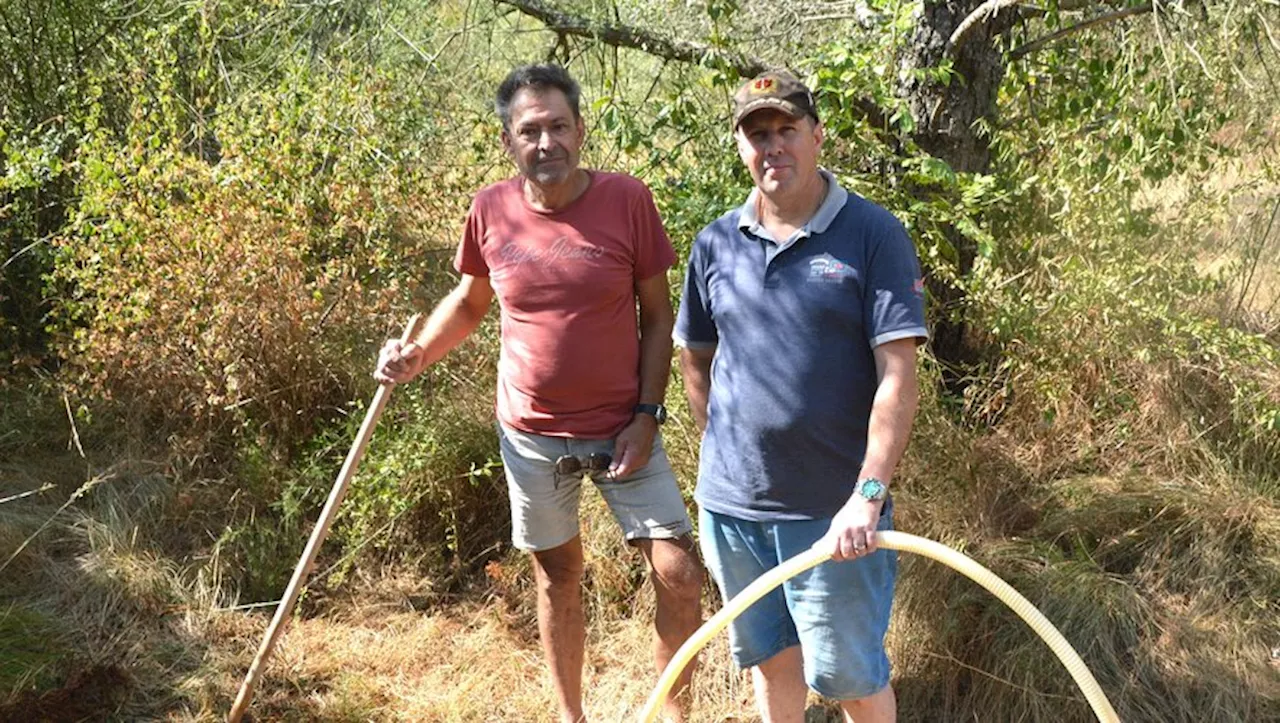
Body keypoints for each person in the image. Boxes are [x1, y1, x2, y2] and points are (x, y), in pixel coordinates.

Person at [373, 64, 703, 723]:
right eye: (530, 130)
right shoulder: (490, 209)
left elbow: (660, 317)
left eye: (558, 126)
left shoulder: (627, 200)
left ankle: (674, 715)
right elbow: (468, 304)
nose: (546, 141)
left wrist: (646, 415)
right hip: (531, 433)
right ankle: (570, 714)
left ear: (581, 131)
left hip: (623, 428)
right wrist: (416, 355)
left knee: (680, 574)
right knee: (558, 576)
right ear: (508, 142)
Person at [674, 69, 927, 723]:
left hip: (835, 516)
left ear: (817, 135)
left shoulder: (873, 234)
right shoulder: (714, 244)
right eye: (758, 133)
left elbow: (898, 375)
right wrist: (724, 451)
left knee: (850, 678)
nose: (773, 145)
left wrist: (866, 497)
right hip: (732, 513)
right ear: (740, 147)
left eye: (787, 128)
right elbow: (694, 357)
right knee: (772, 663)